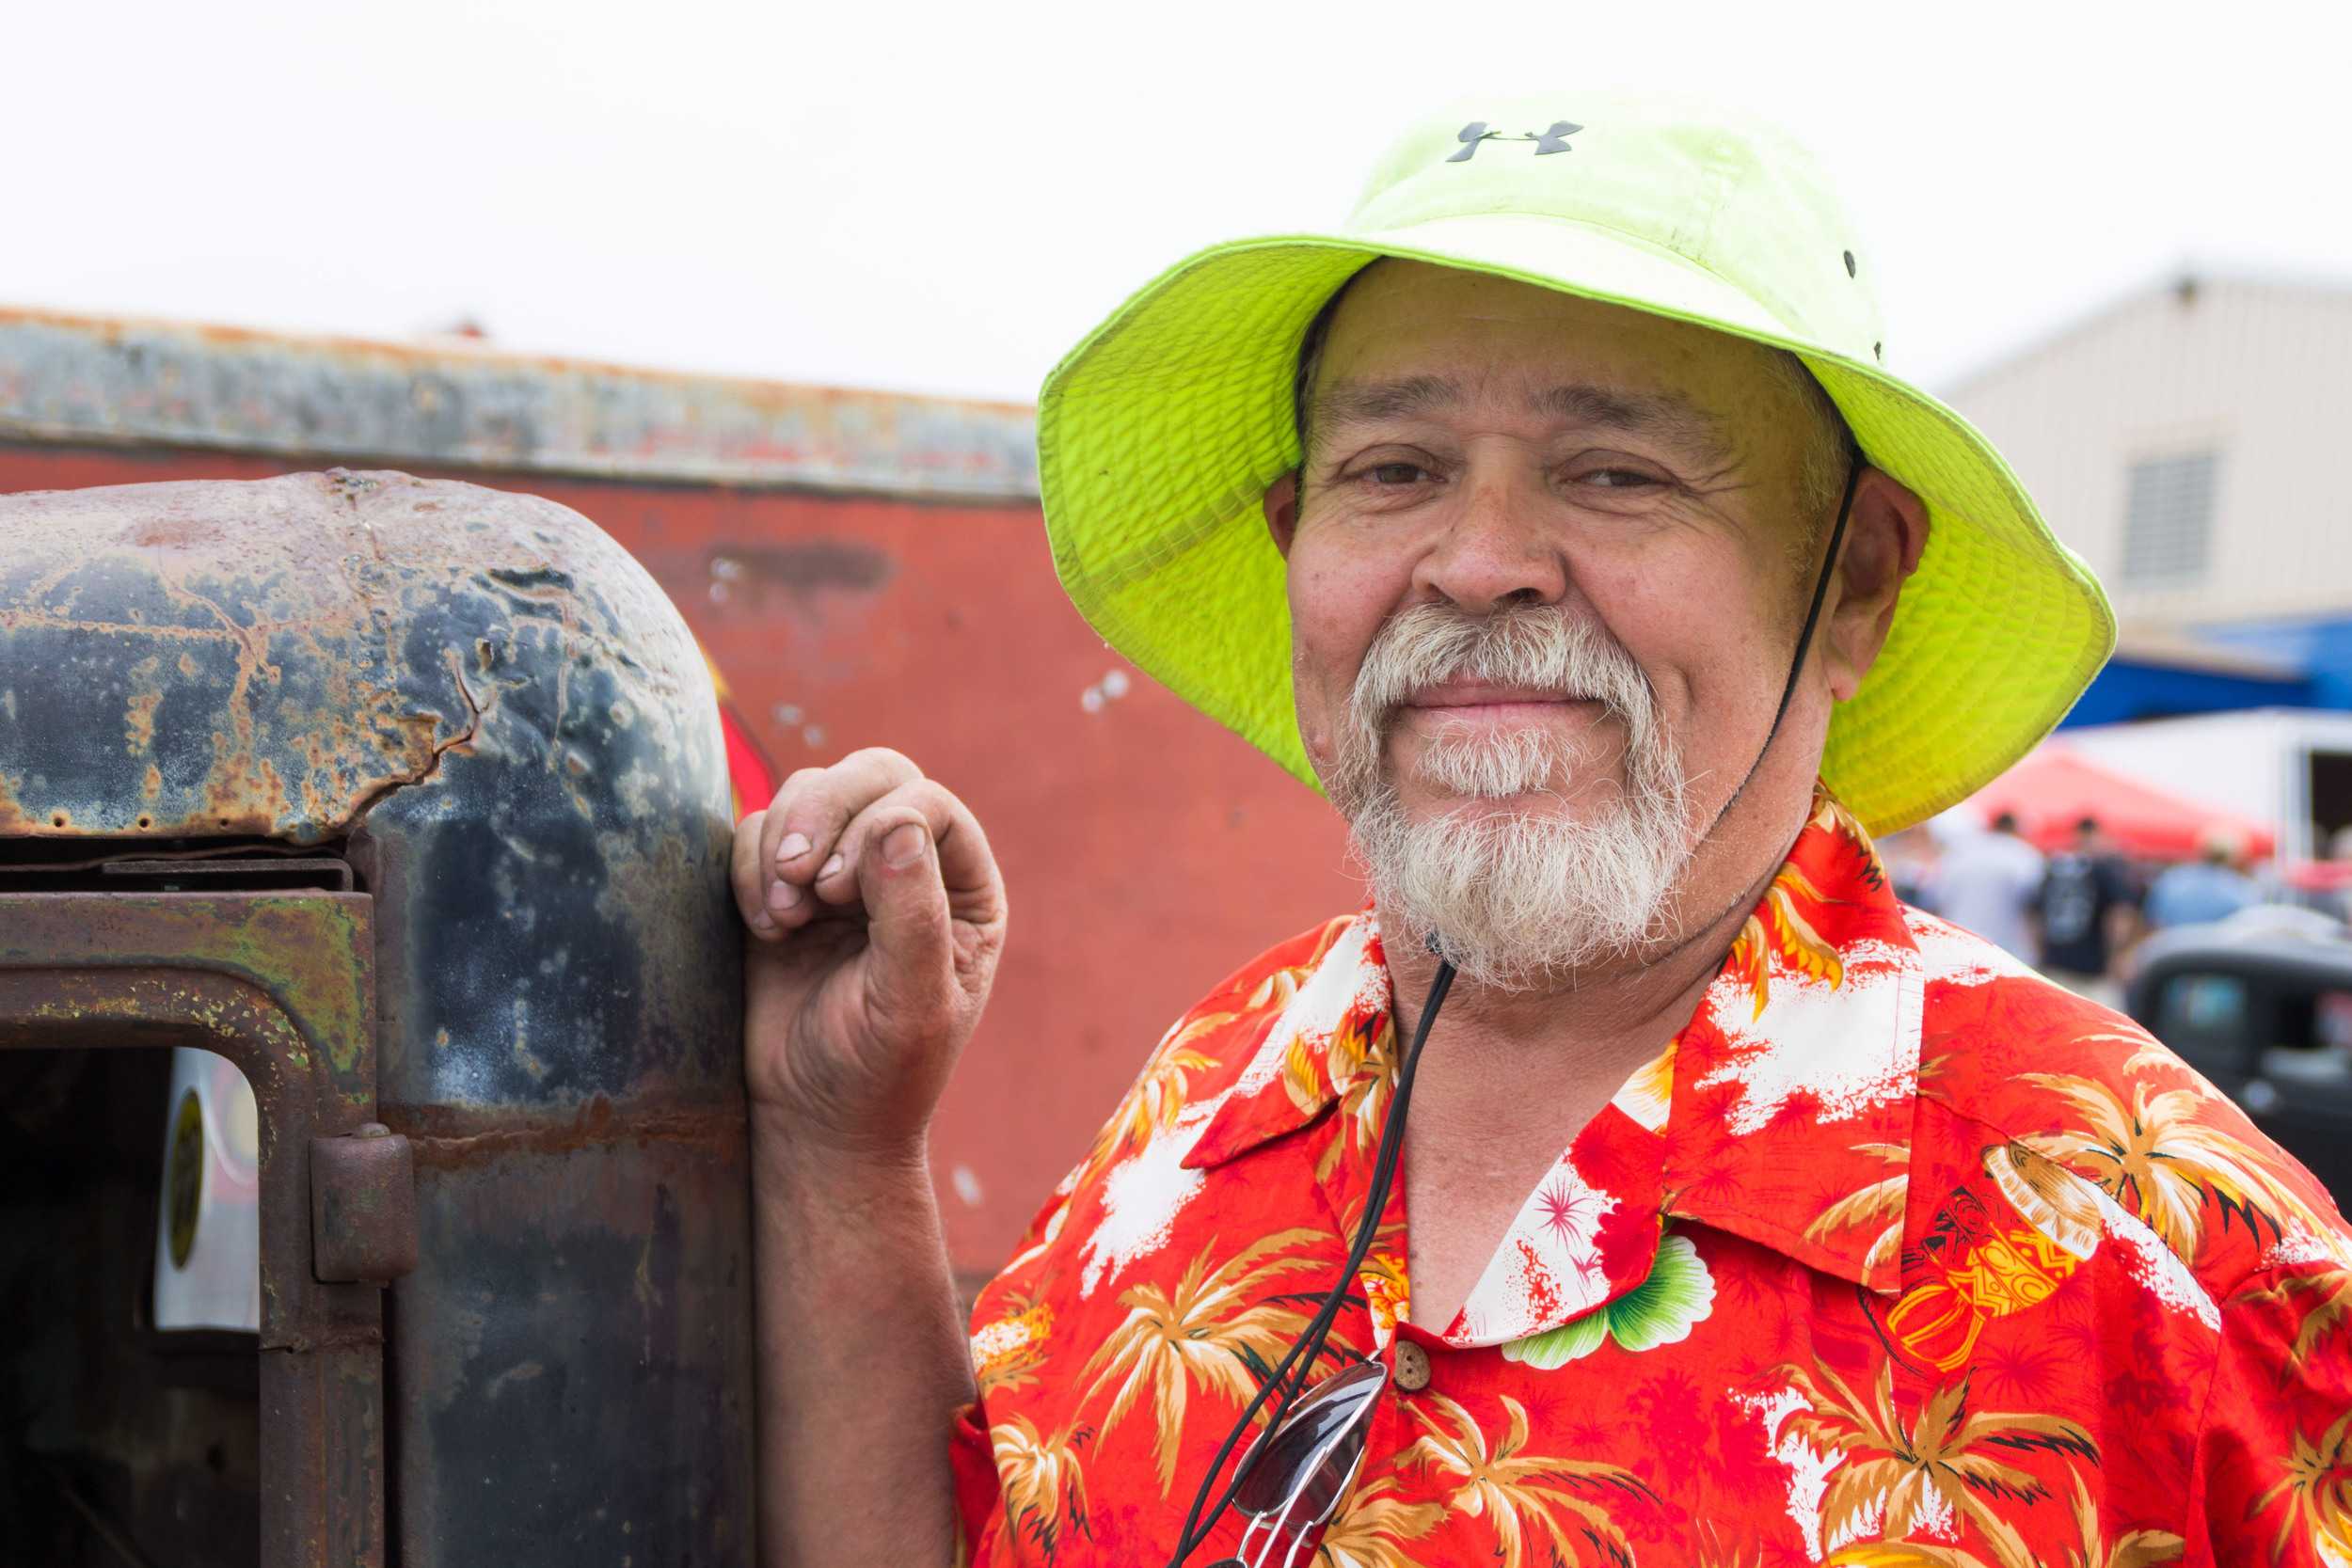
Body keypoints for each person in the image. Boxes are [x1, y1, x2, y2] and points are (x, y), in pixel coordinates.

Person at [733, 95, 2352, 1567]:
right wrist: (842, 1141)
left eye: (1616, 469)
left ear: (1851, 575)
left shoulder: (2168, 1255)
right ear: (1301, 544)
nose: (1479, 558)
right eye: (1396, 467)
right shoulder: (1213, 1091)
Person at [2034, 815, 2142, 1003]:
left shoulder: (2054, 867)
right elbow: (2119, 915)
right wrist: (2117, 954)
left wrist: (2040, 951)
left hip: (2055, 963)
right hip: (2092, 969)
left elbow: (2034, 916)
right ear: (2097, 834)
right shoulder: (2104, 867)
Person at [1925, 810, 2045, 959]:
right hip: (2008, 950)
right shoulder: (2025, 855)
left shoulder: (1959, 854)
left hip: (1959, 943)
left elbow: (1935, 901)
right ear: (2016, 829)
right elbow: (2034, 908)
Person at [2146, 823, 2263, 930]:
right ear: (2236, 857)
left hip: (2173, 948)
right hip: (2217, 950)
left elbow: (2153, 919)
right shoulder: (2241, 889)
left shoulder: (2173, 880)